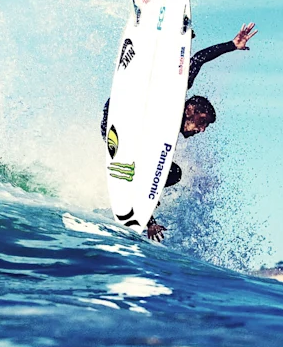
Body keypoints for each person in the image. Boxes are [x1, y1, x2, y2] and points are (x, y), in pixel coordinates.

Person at [102, 22, 258, 241]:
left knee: (171, 172)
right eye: (202, 122)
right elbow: (198, 59)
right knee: (167, 170)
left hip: (120, 125)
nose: (202, 129)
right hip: (119, 116)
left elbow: (150, 178)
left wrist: (149, 218)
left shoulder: (165, 131)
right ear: (191, 110)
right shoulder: (175, 96)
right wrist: (231, 45)